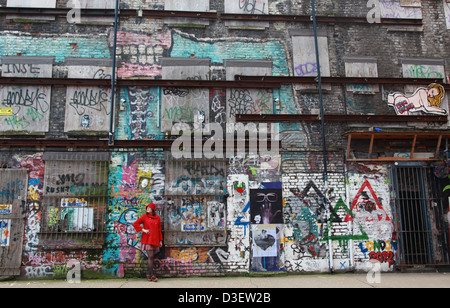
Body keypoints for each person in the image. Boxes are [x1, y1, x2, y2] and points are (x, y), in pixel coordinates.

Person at [133, 203, 163, 282]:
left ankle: (149, 274)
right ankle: (152, 275)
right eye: (147, 208)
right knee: (151, 256)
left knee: (152, 257)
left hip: (155, 239)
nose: (147, 209)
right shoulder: (144, 217)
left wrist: (160, 240)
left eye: (149, 208)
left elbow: (159, 230)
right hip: (147, 240)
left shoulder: (157, 218)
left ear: (153, 209)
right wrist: (143, 230)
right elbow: (135, 223)